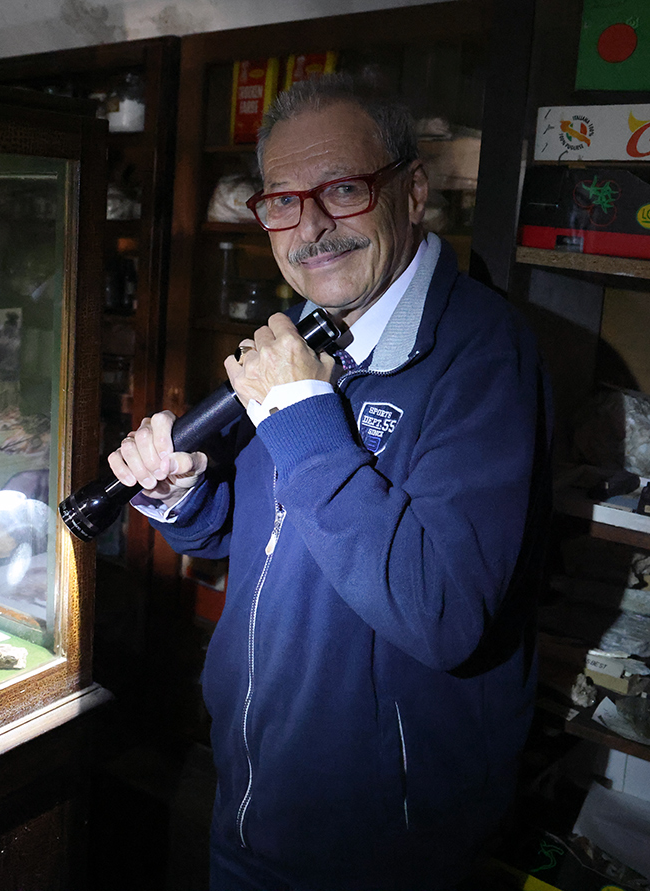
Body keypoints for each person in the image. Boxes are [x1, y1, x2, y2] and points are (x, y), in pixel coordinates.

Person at [109, 73, 551, 890]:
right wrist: (181, 490)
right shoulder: (305, 340)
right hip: (249, 789)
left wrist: (299, 412)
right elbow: (254, 533)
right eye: (280, 200)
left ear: (412, 192)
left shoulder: (482, 355)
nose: (309, 227)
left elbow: (444, 611)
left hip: (378, 841)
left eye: (341, 190)